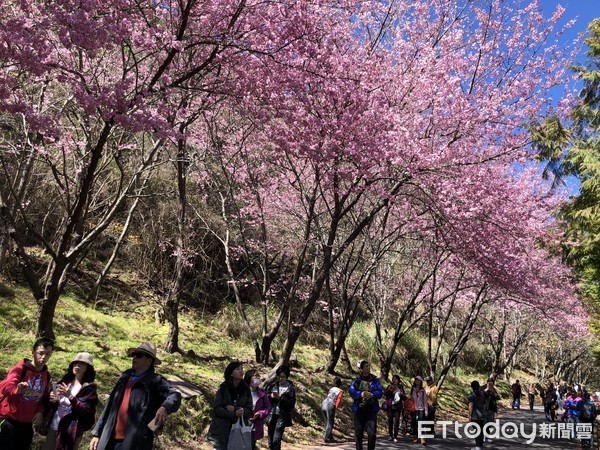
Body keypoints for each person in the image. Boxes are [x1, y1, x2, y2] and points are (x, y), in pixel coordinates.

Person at [89, 342, 181, 450]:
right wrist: (97, 433)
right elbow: (109, 407)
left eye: (139, 355)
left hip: (135, 443)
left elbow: (175, 395)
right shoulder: (125, 377)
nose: (134, 358)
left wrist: (165, 407)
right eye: (134, 355)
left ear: (149, 361)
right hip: (109, 438)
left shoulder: (155, 381)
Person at [0, 337, 54, 450]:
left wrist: (40, 412)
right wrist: (16, 390)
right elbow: (5, 387)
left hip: (27, 426)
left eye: (48, 354)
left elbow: (44, 397)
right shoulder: (20, 369)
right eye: (41, 353)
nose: (44, 357)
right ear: (33, 352)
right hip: (9, 423)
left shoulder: (46, 375)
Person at [43, 352, 98, 450]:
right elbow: (54, 401)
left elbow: (86, 411)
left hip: (71, 430)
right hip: (55, 425)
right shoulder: (66, 380)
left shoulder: (88, 388)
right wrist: (53, 399)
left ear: (88, 368)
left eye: (82, 363)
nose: (77, 365)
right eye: (76, 362)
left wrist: (71, 397)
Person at [207, 361, 253, 450]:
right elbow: (217, 408)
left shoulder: (246, 389)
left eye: (242, 369)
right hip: (221, 429)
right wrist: (233, 414)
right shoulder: (223, 388)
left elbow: (250, 410)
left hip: (239, 430)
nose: (241, 371)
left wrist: (240, 410)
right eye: (237, 369)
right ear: (231, 373)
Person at [349, 361, 383, 450]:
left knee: (371, 434)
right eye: (366, 366)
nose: (368, 367)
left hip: (371, 411)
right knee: (358, 434)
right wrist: (360, 394)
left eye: (369, 366)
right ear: (361, 369)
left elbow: (380, 392)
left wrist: (373, 394)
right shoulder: (356, 380)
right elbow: (351, 391)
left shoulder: (375, 381)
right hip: (359, 410)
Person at [266, 366, 296, 450]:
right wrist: (271, 396)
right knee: (270, 440)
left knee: (276, 440)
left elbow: (291, 404)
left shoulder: (290, 388)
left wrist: (281, 397)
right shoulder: (273, 386)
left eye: (283, 377)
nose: (281, 378)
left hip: (282, 416)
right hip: (272, 414)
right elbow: (265, 398)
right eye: (279, 376)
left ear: (287, 377)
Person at [244, 368, 271, 450]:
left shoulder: (262, 393)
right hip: (242, 423)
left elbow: (268, 407)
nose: (258, 378)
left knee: (251, 445)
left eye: (259, 376)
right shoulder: (242, 392)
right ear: (249, 378)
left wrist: (260, 413)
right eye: (256, 376)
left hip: (254, 425)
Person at [383, 375, 404, 442]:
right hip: (390, 406)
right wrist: (389, 390)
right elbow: (385, 393)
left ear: (398, 380)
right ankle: (390, 435)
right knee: (390, 421)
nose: (394, 380)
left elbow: (404, 398)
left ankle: (395, 436)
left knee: (396, 421)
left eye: (396, 379)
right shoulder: (390, 386)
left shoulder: (400, 387)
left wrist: (401, 394)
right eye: (393, 379)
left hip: (398, 406)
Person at [321, 377, 343, 443]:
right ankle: (326, 438)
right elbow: (338, 400)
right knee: (330, 423)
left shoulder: (331, 389)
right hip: (330, 405)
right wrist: (335, 408)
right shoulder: (340, 391)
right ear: (340, 384)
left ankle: (330, 437)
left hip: (323, 403)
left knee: (327, 422)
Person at [467, 380, 486, 450]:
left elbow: (471, 406)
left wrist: (469, 415)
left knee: (476, 431)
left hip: (475, 416)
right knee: (481, 430)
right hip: (482, 415)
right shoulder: (482, 394)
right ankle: (480, 445)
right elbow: (484, 404)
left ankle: (478, 446)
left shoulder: (472, 395)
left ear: (472, 387)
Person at [410, 376, 428, 446]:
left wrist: (426, 411)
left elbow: (425, 401)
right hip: (413, 408)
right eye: (416, 380)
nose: (417, 381)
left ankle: (422, 438)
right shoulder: (412, 390)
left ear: (421, 382)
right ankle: (415, 436)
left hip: (421, 409)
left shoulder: (423, 391)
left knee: (421, 423)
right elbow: (410, 399)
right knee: (413, 422)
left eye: (418, 380)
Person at [483, 377, 499, 443]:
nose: (490, 385)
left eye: (492, 384)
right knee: (484, 423)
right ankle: (482, 436)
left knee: (489, 423)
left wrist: (493, 392)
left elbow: (498, 397)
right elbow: (480, 395)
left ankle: (487, 437)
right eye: (489, 383)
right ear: (487, 383)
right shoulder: (483, 388)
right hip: (484, 409)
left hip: (491, 409)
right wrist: (487, 389)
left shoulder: (493, 390)